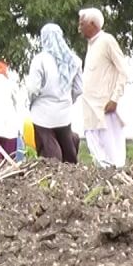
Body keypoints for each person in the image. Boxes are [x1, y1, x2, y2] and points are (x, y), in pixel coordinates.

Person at [78, 7, 130, 168]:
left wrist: (115, 99)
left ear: (92, 24)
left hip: (106, 108)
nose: (79, 28)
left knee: (113, 156)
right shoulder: (91, 45)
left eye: (82, 24)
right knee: (97, 154)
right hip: (91, 109)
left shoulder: (107, 40)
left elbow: (124, 71)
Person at [25, 23, 83, 163]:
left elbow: (33, 88)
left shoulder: (40, 60)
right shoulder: (74, 60)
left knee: (48, 144)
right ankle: (71, 171)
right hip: (64, 112)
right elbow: (79, 89)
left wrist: (31, 102)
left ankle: (53, 170)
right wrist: (68, 101)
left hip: (42, 112)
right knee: (67, 143)